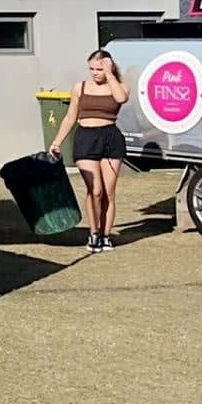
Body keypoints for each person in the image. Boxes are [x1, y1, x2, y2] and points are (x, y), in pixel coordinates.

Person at [49, 50, 129, 253]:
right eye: (92, 69)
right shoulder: (80, 87)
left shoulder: (119, 86)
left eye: (99, 69)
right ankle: (94, 233)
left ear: (109, 66)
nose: (95, 73)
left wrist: (110, 75)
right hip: (86, 138)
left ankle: (106, 235)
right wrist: (57, 141)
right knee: (95, 190)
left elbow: (120, 98)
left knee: (108, 193)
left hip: (111, 138)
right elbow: (70, 117)